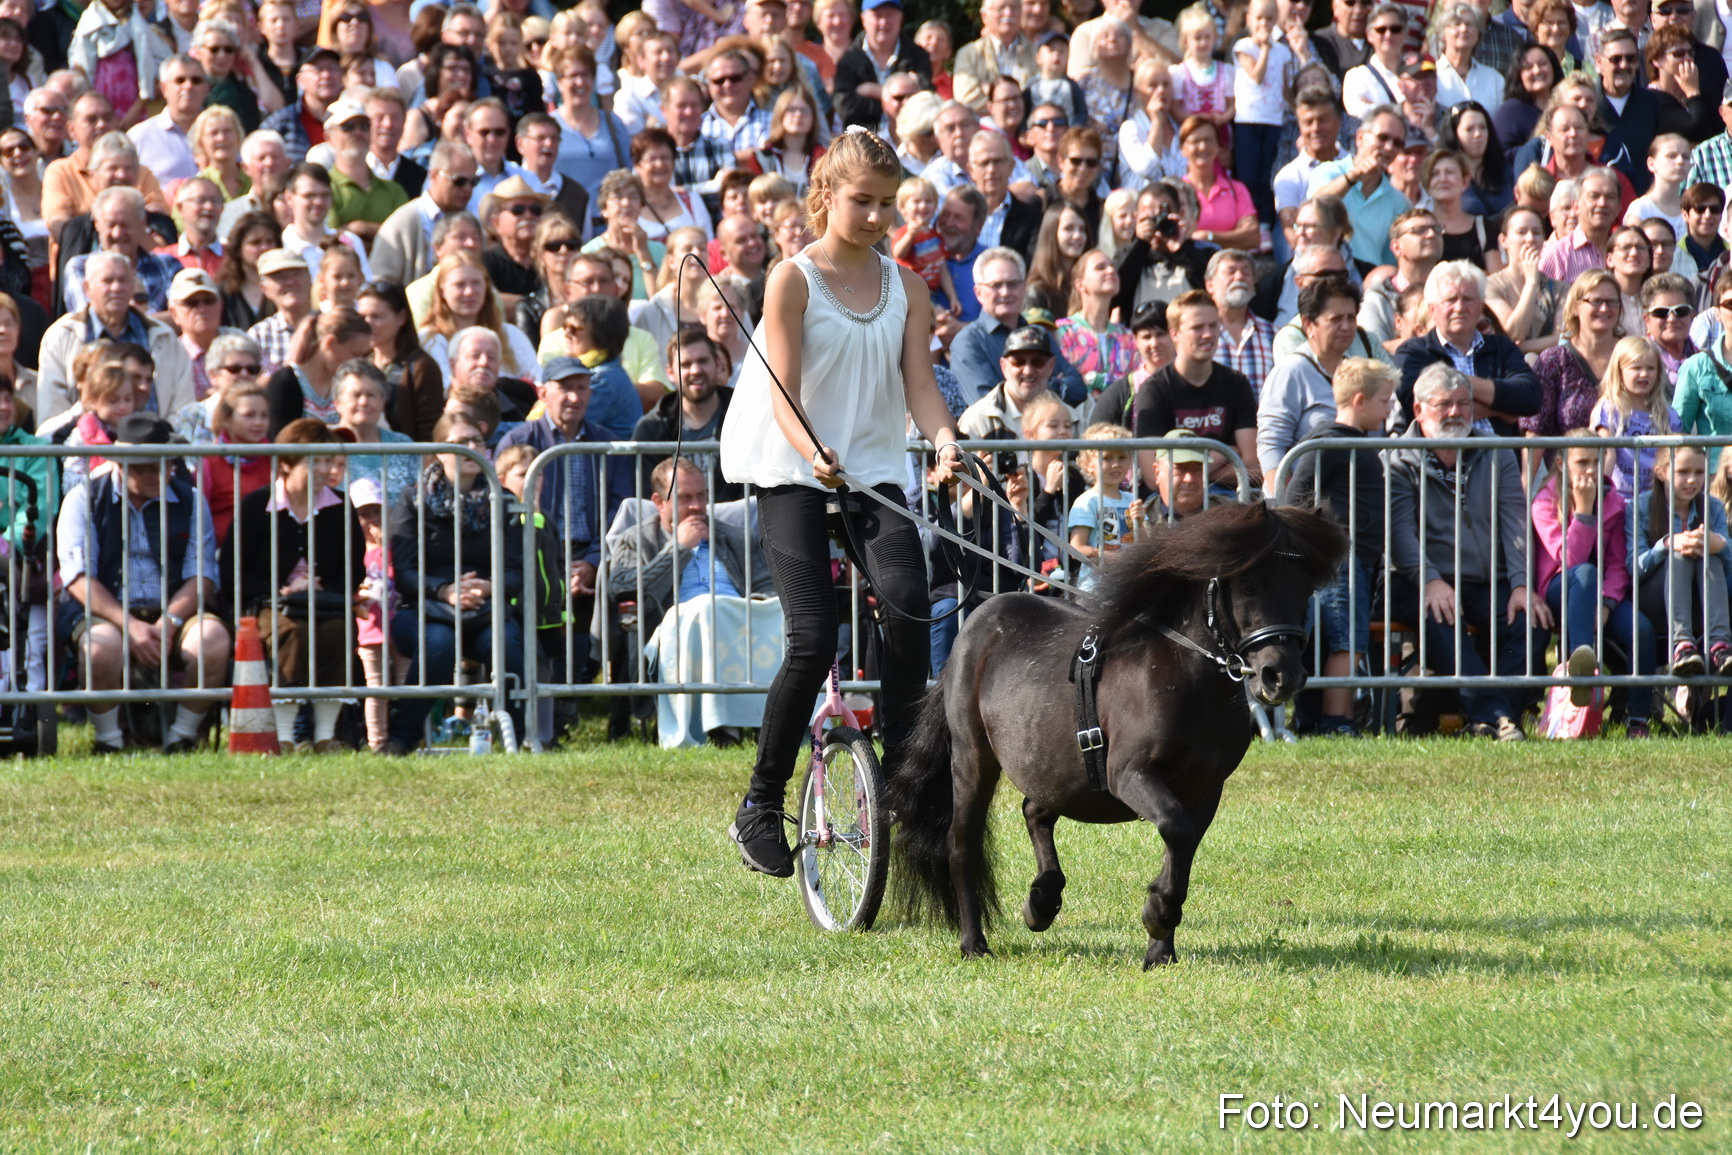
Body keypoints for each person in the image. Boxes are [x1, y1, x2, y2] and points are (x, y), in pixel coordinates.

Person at [716, 128, 960, 878]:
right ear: (826, 195)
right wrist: (814, 450)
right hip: (794, 468)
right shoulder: (792, 279)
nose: (879, 217)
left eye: (889, 203)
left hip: (872, 470)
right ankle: (760, 802)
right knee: (814, 638)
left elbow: (920, 382)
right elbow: (780, 387)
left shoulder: (908, 287)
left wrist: (945, 437)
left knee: (913, 601)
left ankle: (899, 774)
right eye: (863, 201)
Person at [55, 412, 230, 754]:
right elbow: (77, 578)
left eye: (163, 465)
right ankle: (109, 741)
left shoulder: (192, 499)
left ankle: (182, 737)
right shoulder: (83, 498)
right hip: (108, 614)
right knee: (101, 647)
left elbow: (203, 576)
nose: (156, 474)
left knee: (213, 638)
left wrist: (171, 621)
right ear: (120, 464)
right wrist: (131, 626)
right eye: (143, 466)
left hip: (174, 611)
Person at [1386, 363, 1544, 741]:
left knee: (1533, 619)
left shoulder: (1497, 453)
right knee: (1439, 614)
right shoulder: (1397, 460)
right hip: (1419, 579)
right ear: (1419, 410)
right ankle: (1499, 716)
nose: (1456, 413)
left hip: (1488, 579)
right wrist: (1430, 580)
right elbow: (1400, 534)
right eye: (1444, 405)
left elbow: (1515, 523)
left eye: (1463, 404)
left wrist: (1522, 584)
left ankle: (1494, 715)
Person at [606, 455, 780, 748]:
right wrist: (679, 550)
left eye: (701, 496)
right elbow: (624, 590)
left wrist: (756, 606)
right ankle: (724, 728)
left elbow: (768, 587)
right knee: (705, 608)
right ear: (659, 502)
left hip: (739, 625)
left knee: (780, 614)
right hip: (675, 631)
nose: (697, 506)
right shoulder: (635, 540)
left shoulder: (735, 537)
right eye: (685, 498)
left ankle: (787, 726)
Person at [382, 411, 526, 755]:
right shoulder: (412, 499)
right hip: (423, 609)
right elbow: (404, 572)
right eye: (463, 442)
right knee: (439, 642)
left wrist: (489, 587)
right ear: (441, 451)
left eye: (478, 440)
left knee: (505, 642)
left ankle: (520, 737)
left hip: (484, 607)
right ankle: (401, 739)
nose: (474, 448)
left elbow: (517, 570)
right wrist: (444, 591)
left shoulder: (502, 500)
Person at [223, 418, 365, 753]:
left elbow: (354, 567)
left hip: (326, 603)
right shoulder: (256, 507)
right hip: (270, 605)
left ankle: (325, 737)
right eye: (315, 461)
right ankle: (284, 737)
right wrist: (281, 591)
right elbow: (233, 569)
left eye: (329, 460)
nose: (325, 469)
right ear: (286, 464)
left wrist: (322, 586)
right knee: (293, 632)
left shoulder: (341, 506)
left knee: (337, 630)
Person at [1532, 434, 1653, 733]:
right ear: (1561, 464)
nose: (1590, 469)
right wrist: (1584, 511)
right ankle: (1581, 670)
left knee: (1642, 630)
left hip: (1601, 599)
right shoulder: (1545, 501)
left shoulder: (1613, 502)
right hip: (1560, 592)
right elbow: (1569, 561)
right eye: (1582, 462)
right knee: (1584, 572)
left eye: (1596, 461)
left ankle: (1637, 719)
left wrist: (1608, 604)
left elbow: (1616, 564)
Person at [37, 251, 193, 426]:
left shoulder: (163, 337)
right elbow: (51, 412)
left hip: (156, 447)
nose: (117, 287)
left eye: (123, 280)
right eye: (108, 281)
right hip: (84, 448)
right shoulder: (61, 336)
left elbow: (183, 411)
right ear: (87, 288)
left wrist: (165, 442)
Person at [1132, 287, 1261, 488]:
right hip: (1171, 508)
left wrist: (1188, 476)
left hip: (1228, 502)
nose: (1208, 334)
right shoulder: (1154, 389)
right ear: (1174, 334)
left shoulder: (1236, 383)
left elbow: (1252, 467)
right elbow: (1152, 476)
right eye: (1198, 328)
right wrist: (1222, 455)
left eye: (1213, 326)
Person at [1395, 261, 1541, 436]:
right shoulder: (1414, 352)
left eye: (1468, 299)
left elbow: (1530, 398)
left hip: (1499, 458)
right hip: (1439, 459)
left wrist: (1459, 383)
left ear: (1481, 306)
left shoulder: (1501, 347)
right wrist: (1499, 409)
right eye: (1450, 300)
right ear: (1432, 309)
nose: (1460, 308)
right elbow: (1418, 407)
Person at [1637, 444, 1732, 678]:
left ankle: (1720, 646)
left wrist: (1721, 546)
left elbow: (1727, 563)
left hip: (1703, 600)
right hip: (1655, 600)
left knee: (1711, 554)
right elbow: (1634, 567)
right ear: (1661, 472)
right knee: (1681, 552)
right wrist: (1667, 545)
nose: (1692, 481)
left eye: (1699, 473)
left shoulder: (1714, 506)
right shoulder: (1639, 506)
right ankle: (1682, 646)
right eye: (1682, 472)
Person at [1256, 275, 1365, 474]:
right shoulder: (1291, 372)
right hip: (1304, 501)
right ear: (1308, 325)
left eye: (1351, 317)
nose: (1347, 326)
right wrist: (1286, 503)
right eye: (1336, 319)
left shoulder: (1361, 372)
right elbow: (1271, 448)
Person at [948, 247, 1086, 402]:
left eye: (1013, 284)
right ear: (979, 292)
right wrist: (1052, 385)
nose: (1005, 292)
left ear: (1024, 288)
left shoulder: (1041, 334)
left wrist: (1021, 389)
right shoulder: (968, 342)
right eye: (996, 285)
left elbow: (1078, 389)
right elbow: (990, 404)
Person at [632, 328, 737, 498]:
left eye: (703, 361)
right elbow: (646, 497)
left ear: (718, 365)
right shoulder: (651, 428)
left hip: (735, 519)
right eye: (685, 364)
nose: (695, 370)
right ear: (670, 373)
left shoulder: (743, 417)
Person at [1528, 269, 1627, 441]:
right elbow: (1537, 428)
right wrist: (1529, 469)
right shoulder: (1553, 360)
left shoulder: (1631, 355)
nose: (1604, 308)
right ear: (1575, 307)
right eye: (1596, 301)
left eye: (1612, 302)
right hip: (1567, 465)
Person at [1308, 105, 1412, 268]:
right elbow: (1315, 208)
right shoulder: (1328, 172)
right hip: (1324, 271)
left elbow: (1389, 260)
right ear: (1360, 138)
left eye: (1397, 143)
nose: (1389, 147)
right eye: (1383, 138)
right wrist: (1352, 177)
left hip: (1367, 283)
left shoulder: (1399, 203)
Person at [263, 307, 373, 434]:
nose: (359, 363)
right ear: (330, 343)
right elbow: (281, 441)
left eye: (364, 356)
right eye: (355, 354)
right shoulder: (286, 383)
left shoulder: (346, 386)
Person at [1066, 421, 1143, 592]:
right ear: (1088, 464)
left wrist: (1142, 522)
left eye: (1122, 457)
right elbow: (1076, 548)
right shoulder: (1087, 501)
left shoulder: (1131, 498)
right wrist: (1103, 555)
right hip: (1094, 591)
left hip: (1126, 587)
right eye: (1107, 458)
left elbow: (1143, 544)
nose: (1116, 464)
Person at [1057, 249, 1137, 397]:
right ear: (1080, 284)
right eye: (1100, 267)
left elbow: (1138, 382)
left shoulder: (1127, 337)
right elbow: (1062, 379)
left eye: (1113, 266)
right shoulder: (1063, 332)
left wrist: (1090, 378)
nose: (1111, 270)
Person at [959, 323, 1061, 437]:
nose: (1028, 371)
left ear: (1051, 365)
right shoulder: (976, 419)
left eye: (1038, 362)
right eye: (1018, 362)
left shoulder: (1071, 418)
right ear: (1004, 366)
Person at [1204, 248, 1276, 397]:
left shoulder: (1274, 335)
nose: (1239, 277)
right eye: (1231, 271)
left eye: (1246, 272)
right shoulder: (1197, 334)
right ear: (1210, 284)